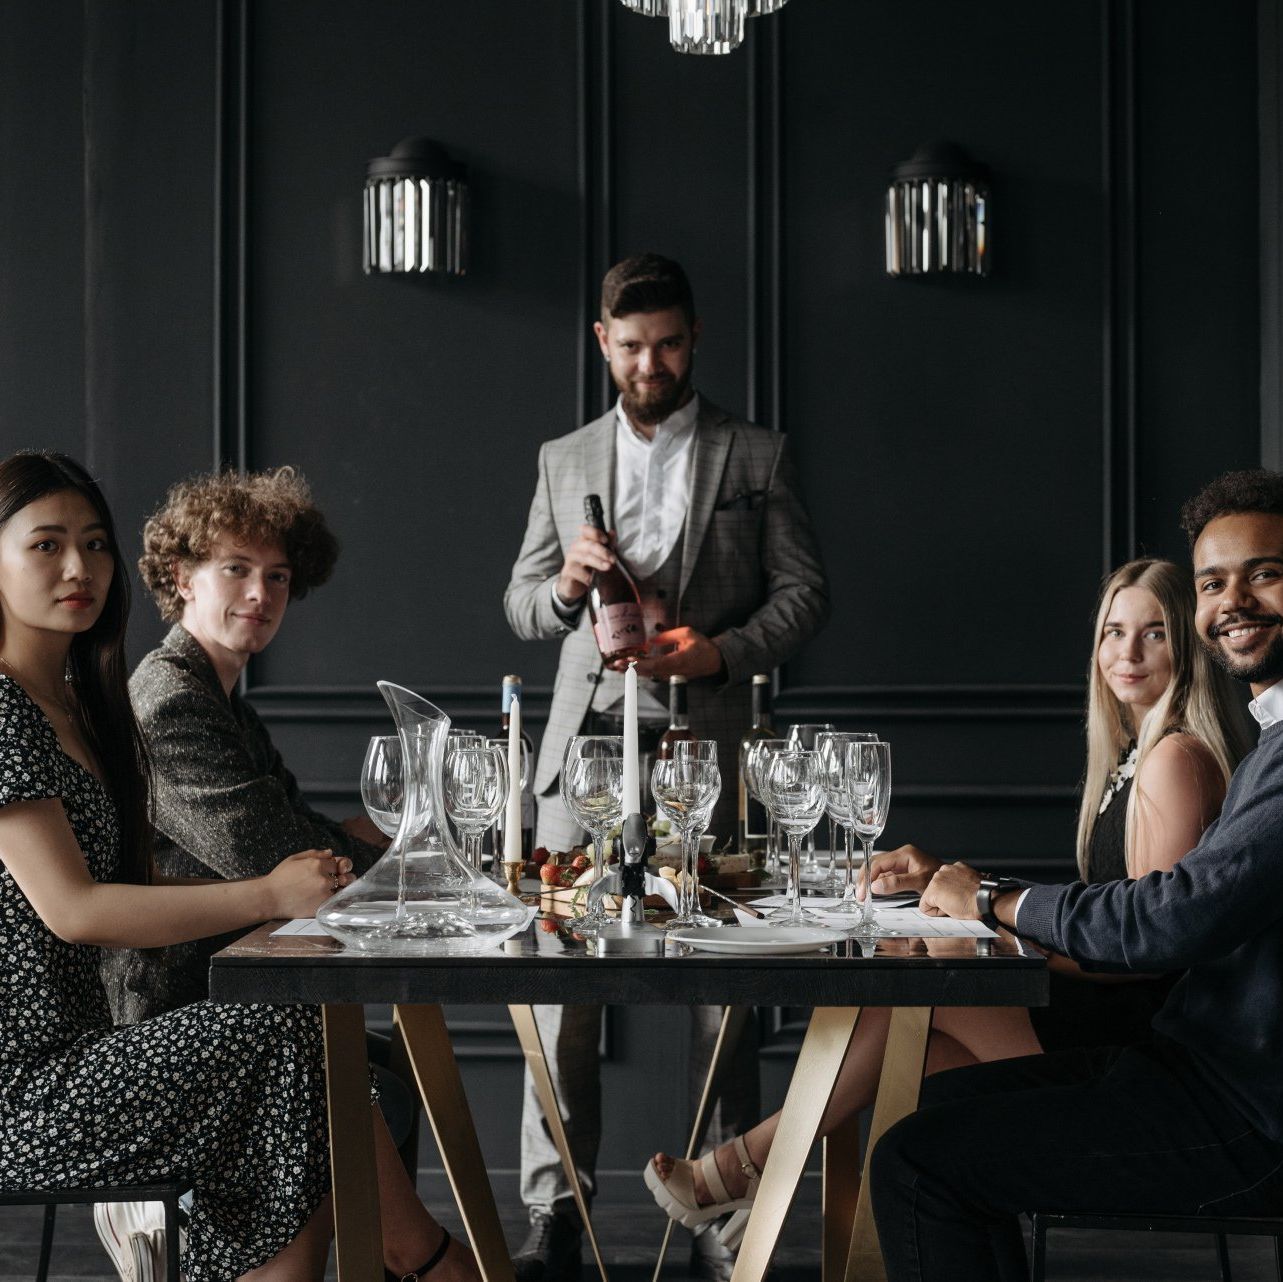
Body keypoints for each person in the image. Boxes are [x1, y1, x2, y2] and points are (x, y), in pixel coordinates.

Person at [644, 557, 1248, 1240]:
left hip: (1138, 1041)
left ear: (1189, 645)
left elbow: (1138, 954)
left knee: (918, 988)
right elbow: (1101, 915)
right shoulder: (1139, 753)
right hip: (1111, 1011)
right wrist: (950, 883)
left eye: (1153, 634)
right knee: (917, 1069)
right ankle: (821, 1207)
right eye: (1113, 632)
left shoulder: (1174, 759)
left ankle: (747, 1167)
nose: (1126, 653)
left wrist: (991, 932)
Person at [0, 451, 475, 1282]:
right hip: (28, 1095)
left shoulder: (82, 703)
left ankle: (405, 1256)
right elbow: (72, 910)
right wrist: (267, 891)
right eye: (46, 545)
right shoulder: (6, 708)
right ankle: (423, 1256)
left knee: (310, 1035)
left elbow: (143, 882)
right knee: (296, 1032)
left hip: (87, 1055)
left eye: (95, 543)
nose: (80, 567)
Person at [867, 468, 1283, 1282]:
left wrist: (988, 900)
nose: (1233, 600)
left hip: (1250, 1112)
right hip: (1198, 1065)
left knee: (918, 1163)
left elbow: (1166, 920)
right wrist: (981, 893)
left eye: (1263, 573)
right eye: (1212, 582)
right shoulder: (1268, 735)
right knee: (941, 1112)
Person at [505, 253, 829, 1280]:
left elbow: (803, 594)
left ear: (694, 339)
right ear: (601, 342)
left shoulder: (756, 454)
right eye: (632, 345)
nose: (651, 363)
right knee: (562, 991)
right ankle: (557, 1215)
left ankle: (720, 1213)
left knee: (717, 992)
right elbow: (518, 606)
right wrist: (562, 587)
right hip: (582, 748)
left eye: (670, 343)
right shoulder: (562, 457)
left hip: (707, 746)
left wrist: (718, 651)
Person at [103, 466, 385, 1023]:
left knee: (387, 1074)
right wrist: (406, 862)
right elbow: (277, 852)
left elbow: (297, 828)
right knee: (373, 1086)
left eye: (278, 576)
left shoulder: (225, 701)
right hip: (177, 1001)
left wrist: (338, 844)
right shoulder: (171, 701)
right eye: (236, 569)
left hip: (243, 978)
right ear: (184, 578)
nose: (261, 593)